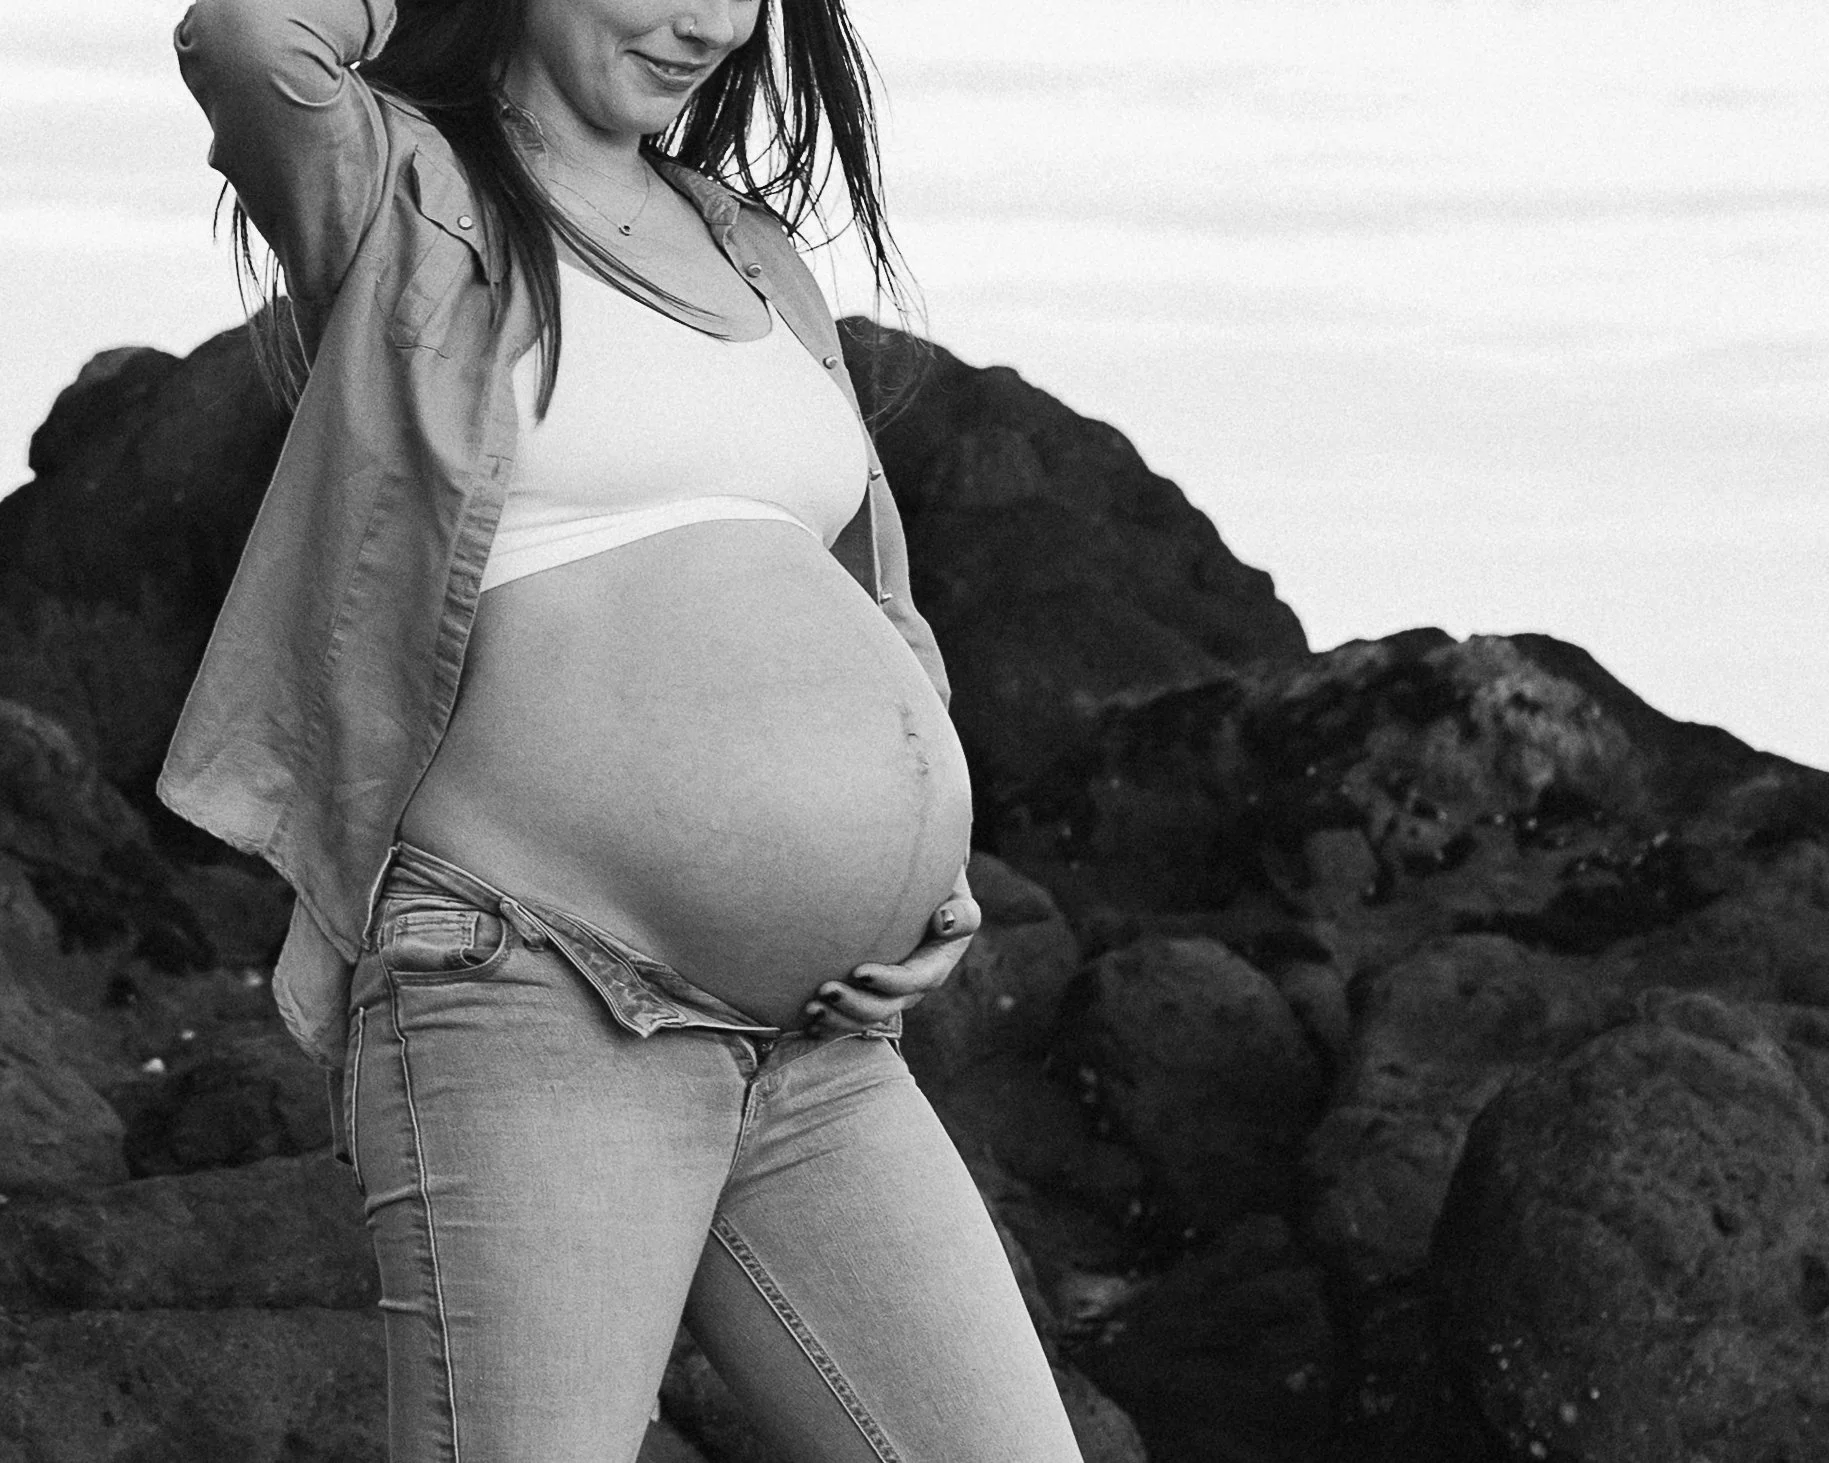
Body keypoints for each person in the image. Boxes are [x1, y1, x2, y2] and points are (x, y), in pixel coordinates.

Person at [165, 0, 1087, 1459]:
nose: (711, 22)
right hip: (539, 992)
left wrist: (933, 872)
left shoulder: (749, 249)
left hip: (821, 1049)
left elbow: (866, 603)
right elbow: (243, 35)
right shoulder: (406, 191)